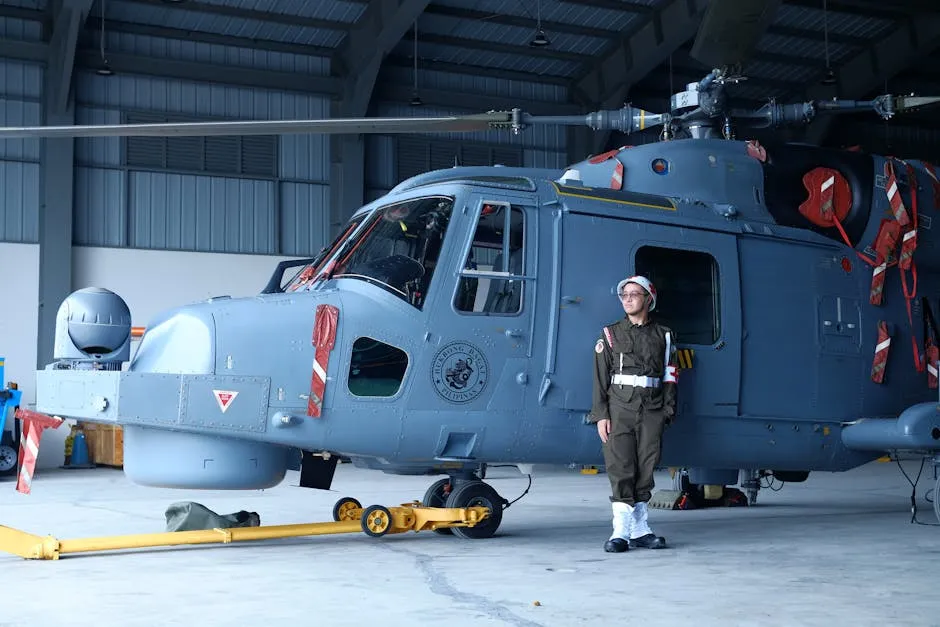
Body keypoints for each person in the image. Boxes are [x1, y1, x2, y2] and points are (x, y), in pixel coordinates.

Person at [589, 275, 677, 552]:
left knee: (647, 467)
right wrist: (601, 414)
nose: (627, 299)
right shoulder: (610, 333)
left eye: (634, 294)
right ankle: (621, 532)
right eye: (624, 295)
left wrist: (667, 410)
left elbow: (671, 375)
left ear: (648, 299)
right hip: (619, 409)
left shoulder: (664, 334)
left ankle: (640, 530)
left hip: (652, 409)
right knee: (620, 467)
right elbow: (599, 378)